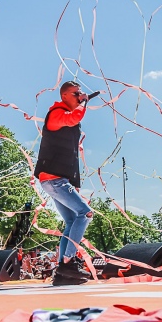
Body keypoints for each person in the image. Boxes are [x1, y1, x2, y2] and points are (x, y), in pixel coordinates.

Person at [34, 81, 95, 286]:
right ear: (65, 95)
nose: (79, 96)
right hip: (54, 180)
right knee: (85, 213)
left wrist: (73, 182)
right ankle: (68, 262)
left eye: (81, 94)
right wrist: (84, 103)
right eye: (76, 93)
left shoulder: (64, 117)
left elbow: (70, 155)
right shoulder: (56, 114)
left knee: (71, 221)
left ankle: (62, 272)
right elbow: (74, 117)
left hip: (58, 180)